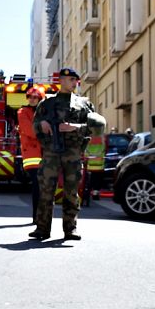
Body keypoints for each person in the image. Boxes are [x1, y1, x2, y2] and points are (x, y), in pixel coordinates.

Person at [31, 68, 107, 241]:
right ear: (62, 80)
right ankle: (42, 228)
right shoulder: (47, 103)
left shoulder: (83, 104)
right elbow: (34, 125)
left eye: (76, 80)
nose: (75, 83)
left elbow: (96, 127)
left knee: (71, 191)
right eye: (71, 79)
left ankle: (70, 229)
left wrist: (76, 127)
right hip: (51, 152)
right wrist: (42, 123)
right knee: (46, 191)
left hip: (73, 152)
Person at [17, 86, 46, 223]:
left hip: (45, 153)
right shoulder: (22, 112)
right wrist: (45, 131)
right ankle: (37, 217)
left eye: (35, 97)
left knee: (44, 187)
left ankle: (42, 217)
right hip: (32, 155)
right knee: (37, 186)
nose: (32, 99)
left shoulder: (45, 112)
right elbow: (30, 131)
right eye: (30, 97)